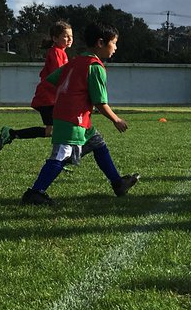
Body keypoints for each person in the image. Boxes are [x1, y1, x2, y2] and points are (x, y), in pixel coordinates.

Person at [20, 22, 140, 206]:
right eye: (114, 43)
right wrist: (116, 119)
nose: (115, 48)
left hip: (73, 117)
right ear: (101, 43)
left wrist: (67, 95)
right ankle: (35, 192)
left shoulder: (75, 61)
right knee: (61, 154)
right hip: (72, 119)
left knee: (98, 142)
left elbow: (51, 80)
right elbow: (100, 102)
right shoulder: (95, 67)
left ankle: (118, 183)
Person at [0, 20, 72, 151]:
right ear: (55, 38)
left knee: (54, 130)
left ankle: (58, 159)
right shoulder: (56, 52)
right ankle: (57, 160)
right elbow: (59, 75)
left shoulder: (61, 52)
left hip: (51, 98)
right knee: (56, 129)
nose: (69, 39)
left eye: (71, 36)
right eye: (66, 36)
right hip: (48, 98)